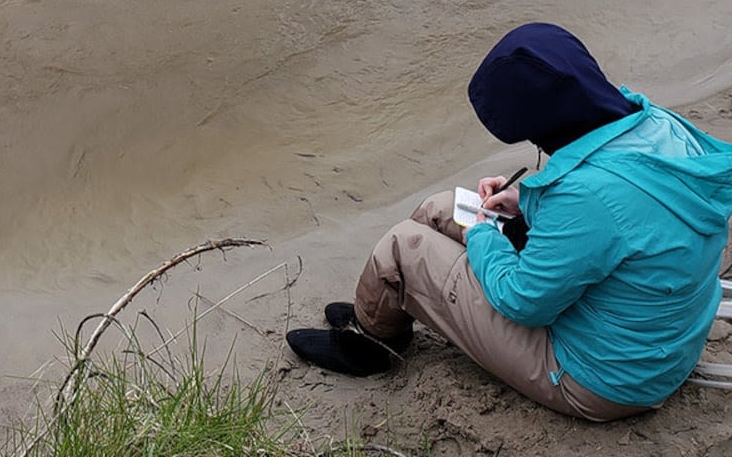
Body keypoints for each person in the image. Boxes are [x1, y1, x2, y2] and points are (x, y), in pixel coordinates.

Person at [286, 22, 732, 421]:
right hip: (664, 342)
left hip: (602, 381)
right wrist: (527, 198)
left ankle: (374, 346)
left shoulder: (585, 197)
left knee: (403, 246)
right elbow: (622, 210)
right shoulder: (658, 125)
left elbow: (524, 302)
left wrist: (482, 234)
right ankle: (385, 309)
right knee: (440, 208)